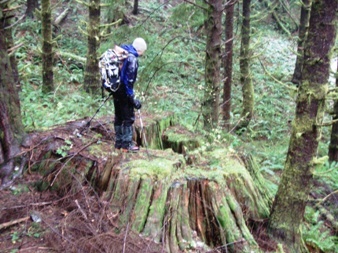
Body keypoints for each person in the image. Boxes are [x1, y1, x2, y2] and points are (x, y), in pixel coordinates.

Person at [112, 38, 147, 152]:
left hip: (115, 89)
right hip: (124, 91)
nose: (141, 54)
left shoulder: (122, 54)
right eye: (142, 52)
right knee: (128, 117)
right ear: (139, 50)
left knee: (118, 115)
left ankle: (119, 142)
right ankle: (127, 144)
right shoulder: (132, 58)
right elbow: (129, 80)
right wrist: (131, 98)